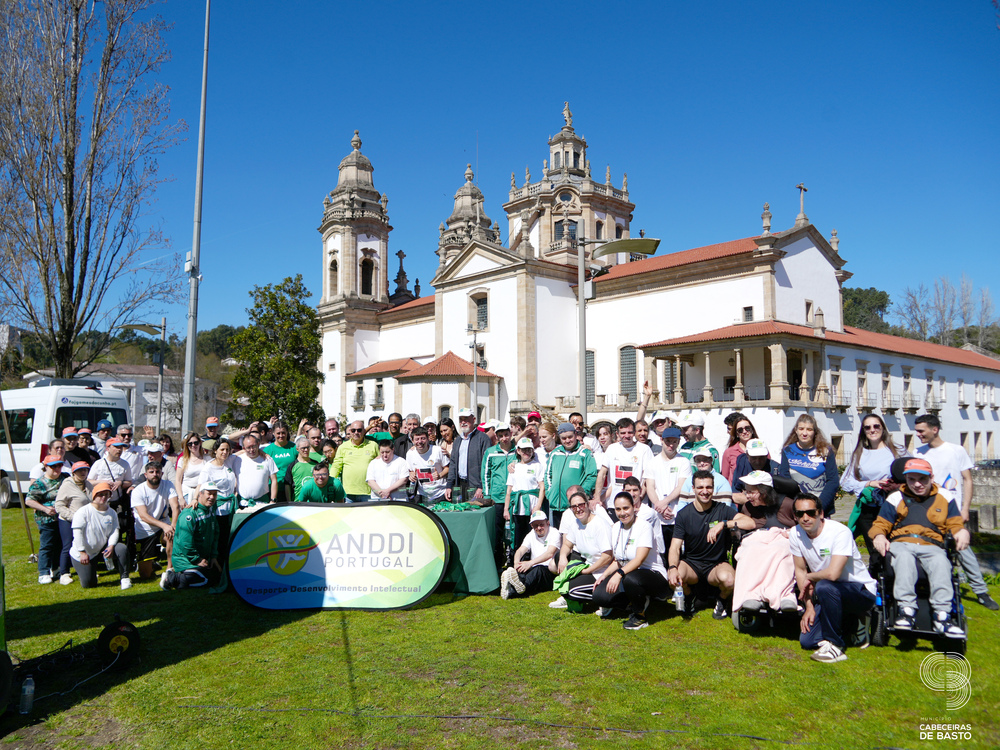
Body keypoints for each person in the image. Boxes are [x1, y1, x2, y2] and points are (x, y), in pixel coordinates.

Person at [870, 458, 969, 637]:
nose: (917, 484)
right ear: (906, 480)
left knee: (941, 561)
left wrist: (961, 531)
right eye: (912, 480)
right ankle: (906, 610)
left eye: (922, 479)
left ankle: (942, 615)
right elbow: (880, 524)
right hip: (901, 542)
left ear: (931, 477)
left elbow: (955, 523)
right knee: (904, 558)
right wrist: (878, 535)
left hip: (932, 544)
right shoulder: (896, 497)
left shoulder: (945, 497)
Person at [913, 414, 998, 610]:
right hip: (926, 510)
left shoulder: (955, 450)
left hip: (951, 511)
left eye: (921, 431)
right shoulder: (918, 453)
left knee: (962, 549)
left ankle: (981, 592)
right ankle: (934, 587)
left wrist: (965, 508)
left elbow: (967, 479)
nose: (918, 435)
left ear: (934, 429)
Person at [791, 493, 877, 663]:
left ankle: (835, 645)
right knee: (807, 640)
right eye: (800, 514)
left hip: (860, 591)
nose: (805, 518)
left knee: (824, 585)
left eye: (810, 513)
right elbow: (799, 570)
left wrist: (809, 576)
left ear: (821, 513)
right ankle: (852, 623)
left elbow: (833, 574)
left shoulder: (840, 532)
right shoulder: (795, 533)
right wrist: (808, 606)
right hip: (828, 592)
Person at [592, 491, 671, 629]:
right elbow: (618, 560)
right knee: (599, 596)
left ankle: (640, 615)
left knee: (631, 579)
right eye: (618, 509)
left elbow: (639, 560)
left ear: (634, 507)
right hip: (628, 574)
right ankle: (634, 600)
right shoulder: (616, 527)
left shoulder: (644, 526)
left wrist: (618, 574)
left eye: (626, 508)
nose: (622, 513)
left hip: (652, 576)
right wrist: (604, 576)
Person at [668, 470, 738, 620]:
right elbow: (675, 547)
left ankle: (722, 600)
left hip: (716, 565)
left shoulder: (723, 510)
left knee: (730, 580)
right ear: (693, 488)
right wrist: (673, 568)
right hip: (691, 564)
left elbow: (749, 522)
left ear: (713, 488)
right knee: (674, 578)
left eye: (709, 487)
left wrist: (724, 524)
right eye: (700, 487)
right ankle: (689, 596)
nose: (705, 491)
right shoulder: (684, 514)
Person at [840, 414, 907, 561]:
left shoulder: (898, 451)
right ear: (863, 431)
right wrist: (868, 483)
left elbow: (912, 475)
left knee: (894, 548)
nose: (872, 430)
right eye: (867, 427)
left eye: (876, 426)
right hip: (868, 509)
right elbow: (844, 482)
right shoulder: (859, 453)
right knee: (875, 552)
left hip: (893, 508)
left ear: (882, 428)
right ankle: (877, 581)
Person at [731, 471, 798, 614]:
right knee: (749, 549)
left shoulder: (787, 504)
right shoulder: (748, 507)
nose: (747, 496)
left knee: (782, 550)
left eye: (751, 492)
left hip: (782, 538)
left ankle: (784, 594)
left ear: (764, 491)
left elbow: (801, 526)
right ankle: (752, 594)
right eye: (746, 491)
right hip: (758, 539)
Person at [554, 490, 613, 609]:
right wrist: (562, 558)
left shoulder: (599, 524)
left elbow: (608, 556)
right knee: (559, 557)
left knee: (571, 591)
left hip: (603, 571)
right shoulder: (576, 523)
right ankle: (595, 594)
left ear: (587, 504)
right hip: (587, 565)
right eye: (574, 507)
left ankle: (606, 599)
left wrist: (587, 571)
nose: (578, 509)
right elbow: (567, 544)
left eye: (581, 505)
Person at [69, 482, 131, 589]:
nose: (103, 497)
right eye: (100, 494)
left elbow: (114, 531)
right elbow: (77, 533)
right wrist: (82, 551)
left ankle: (125, 578)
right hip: (83, 552)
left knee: (121, 548)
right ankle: (89, 572)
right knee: (88, 584)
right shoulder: (83, 512)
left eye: (107, 494)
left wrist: (111, 546)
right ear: (94, 495)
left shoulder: (111, 512)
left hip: (101, 548)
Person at [160, 482, 222, 591]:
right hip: (186, 560)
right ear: (200, 494)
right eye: (209, 494)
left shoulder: (211, 510)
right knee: (206, 581)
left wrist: (213, 556)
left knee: (218, 576)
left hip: (202, 559)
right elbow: (185, 542)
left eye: (214, 494)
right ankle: (170, 578)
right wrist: (197, 559)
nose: (212, 497)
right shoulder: (189, 514)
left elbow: (215, 534)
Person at [777, 415, 839, 515]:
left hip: (821, 508)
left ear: (814, 432)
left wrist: (819, 506)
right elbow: (785, 479)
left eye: (809, 429)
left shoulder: (826, 451)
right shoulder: (787, 451)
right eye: (801, 429)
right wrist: (799, 504)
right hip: (797, 507)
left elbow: (833, 481)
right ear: (796, 430)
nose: (804, 433)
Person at [543, 422, 598, 529]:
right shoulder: (555, 453)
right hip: (556, 506)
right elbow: (547, 475)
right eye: (564, 438)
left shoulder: (584, 453)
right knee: (559, 538)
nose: (567, 440)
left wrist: (580, 495)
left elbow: (591, 476)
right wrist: (549, 493)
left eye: (570, 437)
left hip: (575, 506)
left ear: (575, 434)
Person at [594, 417, 653, 512]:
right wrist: (597, 498)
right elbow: (602, 474)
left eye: (629, 432)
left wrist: (640, 498)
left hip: (637, 505)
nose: (627, 435)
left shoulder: (644, 449)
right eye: (623, 433)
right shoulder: (612, 449)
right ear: (617, 434)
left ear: (634, 433)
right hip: (614, 504)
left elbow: (647, 479)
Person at [646, 427, 691, 551]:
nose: (671, 445)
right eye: (668, 441)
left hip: (676, 515)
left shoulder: (683, 462)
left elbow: (681, 486)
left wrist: (664, 503)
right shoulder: (652, 462)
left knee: (676, 551)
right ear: (661, 440)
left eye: (674, 442)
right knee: (660, 552)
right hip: (658, 516)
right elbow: (650, 487)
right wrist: (659, 506)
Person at [500, 510, 561, 600]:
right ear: (532, 526)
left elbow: (550, 553)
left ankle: (511, 590)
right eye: (536, 525)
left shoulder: (554, 533)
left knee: (538, 570)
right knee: (524, 569)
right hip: (534, 567)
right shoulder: (531, 534)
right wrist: (516, 563)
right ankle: (513, 583)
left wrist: (530, 563)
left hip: (550, 571)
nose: (539, 528)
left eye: (541, 524)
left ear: (547, 523)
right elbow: (520, 550)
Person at [131, 461, 177, 579]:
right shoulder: (138, 491)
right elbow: (143, 516)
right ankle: (152, 564)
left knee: (171, 535)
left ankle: (170, 569)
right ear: (146, 475)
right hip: (144, 529)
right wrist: (164, 526)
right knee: (145, 575)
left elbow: (175, 506)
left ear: (162, 473)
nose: (155, 474)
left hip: (164, 525)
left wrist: (173, 525)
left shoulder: (168, 485)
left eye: (157, 472)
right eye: (151, 472)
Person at [26, 455, 65, 584]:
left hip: (63, 518)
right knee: (47, 545)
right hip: (46, 519)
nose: (57, 469)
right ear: (46, 467)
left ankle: (56, 568)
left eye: (59, 465)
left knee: (60, 544)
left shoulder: (66, 478)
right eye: (53, 466)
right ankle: (43, 572)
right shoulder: (39, 483)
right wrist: (45, 509)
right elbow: (29, 500)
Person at [53, 461, 93, 585]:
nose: (83, 472)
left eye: (85, 470)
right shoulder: (67, 485)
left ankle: (85, 569)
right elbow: (59, 505)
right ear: (73, 472)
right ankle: (64, 573)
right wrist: (73, 517)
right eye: (80, 470)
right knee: (68, 545)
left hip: (85, 521)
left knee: (85, 544)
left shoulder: (88, 485)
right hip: (68, 520)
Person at [197, 438, 238, 558]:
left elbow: (243, 452)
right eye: (222, 449)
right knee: (218, 538)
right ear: (215, 450)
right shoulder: (208, 468)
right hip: (217, 508)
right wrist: (195, 499)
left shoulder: (229, 461)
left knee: (228, 538)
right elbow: (200, 485)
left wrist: (262, 452)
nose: (225, 452)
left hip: (230, 508)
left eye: (227, 450)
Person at [504, 437, 546, 552]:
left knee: (532, 533)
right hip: (517, 507)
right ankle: (516, 559)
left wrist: (538, 506)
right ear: (518, 451)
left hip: (532, 506)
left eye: (529, 450)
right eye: (523, 450)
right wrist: (506, 509)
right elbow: (509, 490)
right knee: (518, 534)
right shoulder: (514, 467)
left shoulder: (537, 466)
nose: (526, 452)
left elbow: (542, 487)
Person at [445, 408, 491, 503]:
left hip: (476, 487)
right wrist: (449, 486)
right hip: (460, 485)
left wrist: (481, 486)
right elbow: (453, 464)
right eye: (461, 419)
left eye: (466, 419)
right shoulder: (458, 440)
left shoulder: (483, 439)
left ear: (474, 420)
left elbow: (487, 465)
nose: (463, 422)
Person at [332, 420, 379, 502]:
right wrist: (330, 482)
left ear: (364, 431)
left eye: (359, 430)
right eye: (353, 430)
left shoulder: (373, 445)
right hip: (348, 494)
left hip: (368, 492)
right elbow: (336, 466)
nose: (356, 432)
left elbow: (380, 465)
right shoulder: (343, 447)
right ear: (350, 431)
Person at [406, 427, 450, 505]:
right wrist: (411, 475)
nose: (420, 441)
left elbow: (448, 468)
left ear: (428, 439)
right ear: (412, 440)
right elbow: (411, 471)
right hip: (422, 494)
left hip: (440, 493)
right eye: (417, 439)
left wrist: (440, 475)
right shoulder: (410, 453)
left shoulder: (438, 450)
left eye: (423, 438)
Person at [234, 433, 279, 508]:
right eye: (248, 447)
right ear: (244, 448)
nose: (252, 450)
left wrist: (273, 500)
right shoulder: (237, 460)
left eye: (253, 446)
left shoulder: (267, 459)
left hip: (263, 502)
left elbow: (274, 480)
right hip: (242, 503)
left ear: (258, 444)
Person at [721, 415, 759, 483]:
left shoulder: (761, 448)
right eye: (740, 430)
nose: (744, 432)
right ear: (737, 434)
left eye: (747, 428)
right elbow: (724, 479)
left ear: (752, 430)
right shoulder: (729, 452)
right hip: (736, 492)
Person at [175, 432, 206, 509]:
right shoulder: (182, 460)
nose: (193, 445)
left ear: (200, 443)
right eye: (190, 444)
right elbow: (178, 481)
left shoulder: (207, 459)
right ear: (187, 445)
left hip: (202, 494)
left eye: (196, 443)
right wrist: (181, 498)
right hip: (186, 494)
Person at [283, 436, 318, 501]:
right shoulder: (292, 466)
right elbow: (287, 485)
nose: (306, 450)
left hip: (315, 502)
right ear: (297, 449)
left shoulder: (316, 464)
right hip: (298, 503)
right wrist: (289, 502)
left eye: (308, 447)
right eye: (303, 448)